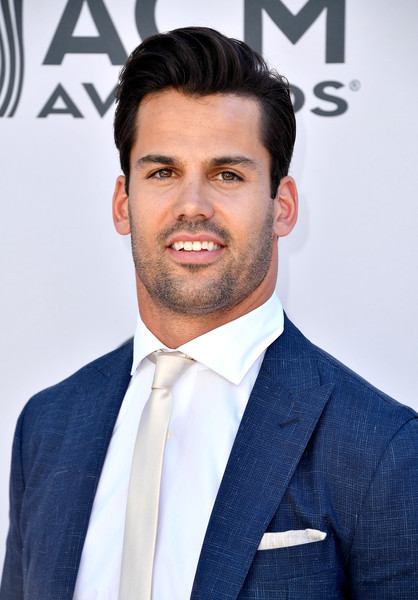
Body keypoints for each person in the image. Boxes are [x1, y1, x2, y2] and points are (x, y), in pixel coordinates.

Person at [1, 26, 417, 600]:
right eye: (162, 172)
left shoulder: (381, 449)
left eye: (227, 174)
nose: (192, 206)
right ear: (124, 203)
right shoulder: (46, 427)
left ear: (282, 206)